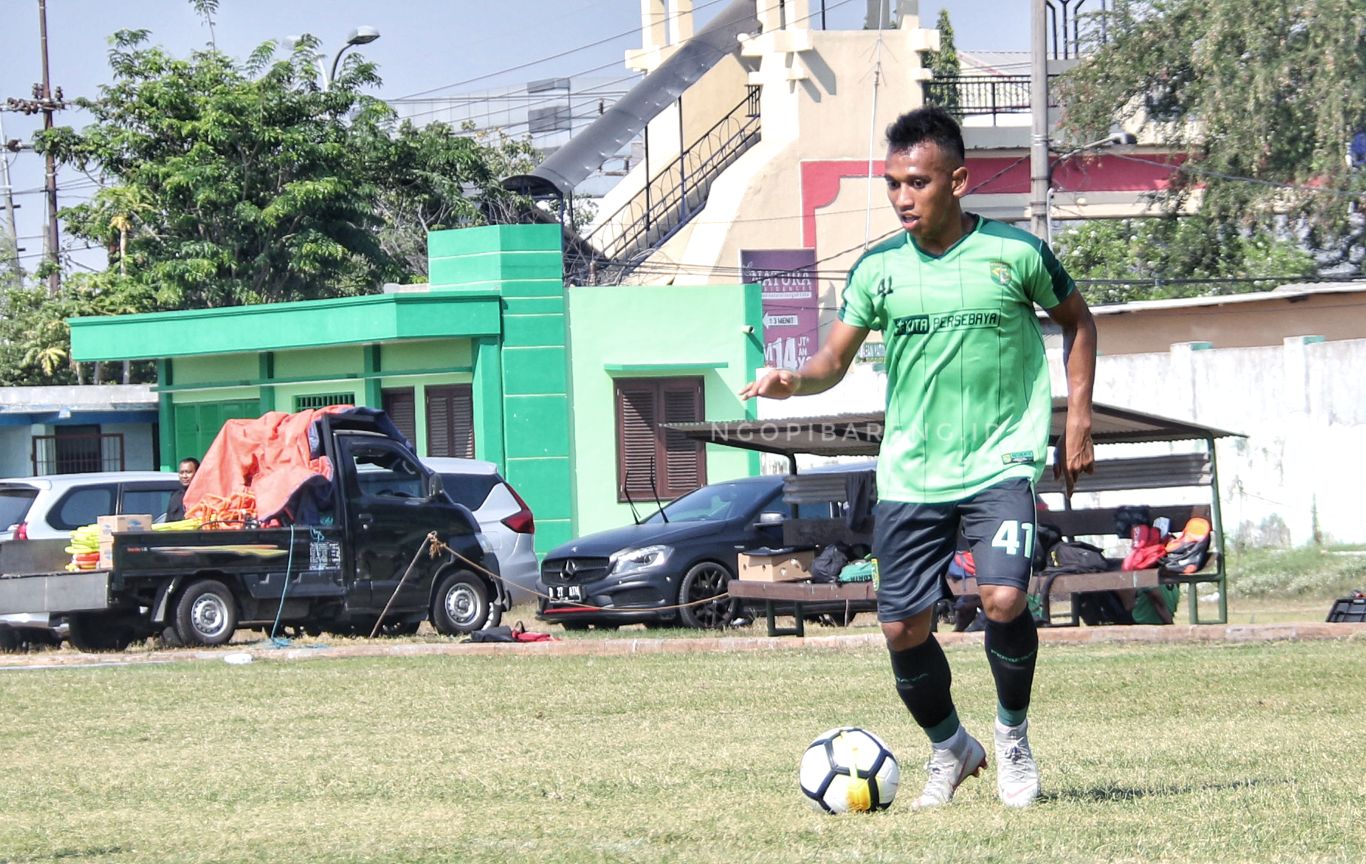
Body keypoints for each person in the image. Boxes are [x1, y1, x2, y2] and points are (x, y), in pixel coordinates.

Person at [739, 107, 1096, 809]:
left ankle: (1013, 739)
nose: (904, 197)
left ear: (957, 180)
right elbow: (832, 361)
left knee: (1003, 597)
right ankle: (951, 748)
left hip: (1000, 462)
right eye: (894, 183)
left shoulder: (1015, 255)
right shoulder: (878, 271)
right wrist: (793, 379)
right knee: (903, 627)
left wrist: (1076, 418)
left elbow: (1078, 321)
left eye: (918, 182)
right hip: (910, 472)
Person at [165, 457, 199, 521]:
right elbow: (168, 521)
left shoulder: (204, 496)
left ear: (197, 473)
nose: (184, 476)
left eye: (188, 472)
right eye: (181, 472)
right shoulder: (175, 496)